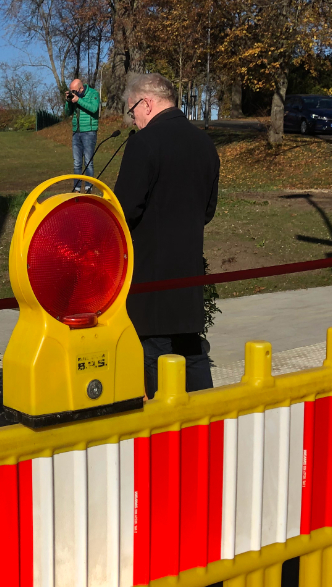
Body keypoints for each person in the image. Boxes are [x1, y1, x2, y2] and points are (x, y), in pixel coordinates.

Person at [114, 73, 220, 398]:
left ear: (146, 103)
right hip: (189, 272)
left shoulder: (144, 144)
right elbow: (208, 210)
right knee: (192, 355)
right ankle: (209, 428)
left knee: (155, 360)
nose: (133, 120)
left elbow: (123, 211)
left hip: (150, 277)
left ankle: (164, 440)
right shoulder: (205, 144)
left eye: (133, 112)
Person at [66, 78, 100, 192]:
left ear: (81, 88)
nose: (73, 93)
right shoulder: (75, 96)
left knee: (88, 162)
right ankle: (76, 188)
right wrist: (68, 101)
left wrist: (78, 100)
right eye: (71, 91)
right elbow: (67, 113)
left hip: (89, 132)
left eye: (74, 91)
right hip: (76, 132)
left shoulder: (93, 94)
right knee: (77, 162)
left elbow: (94, 109)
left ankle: (88, 188)